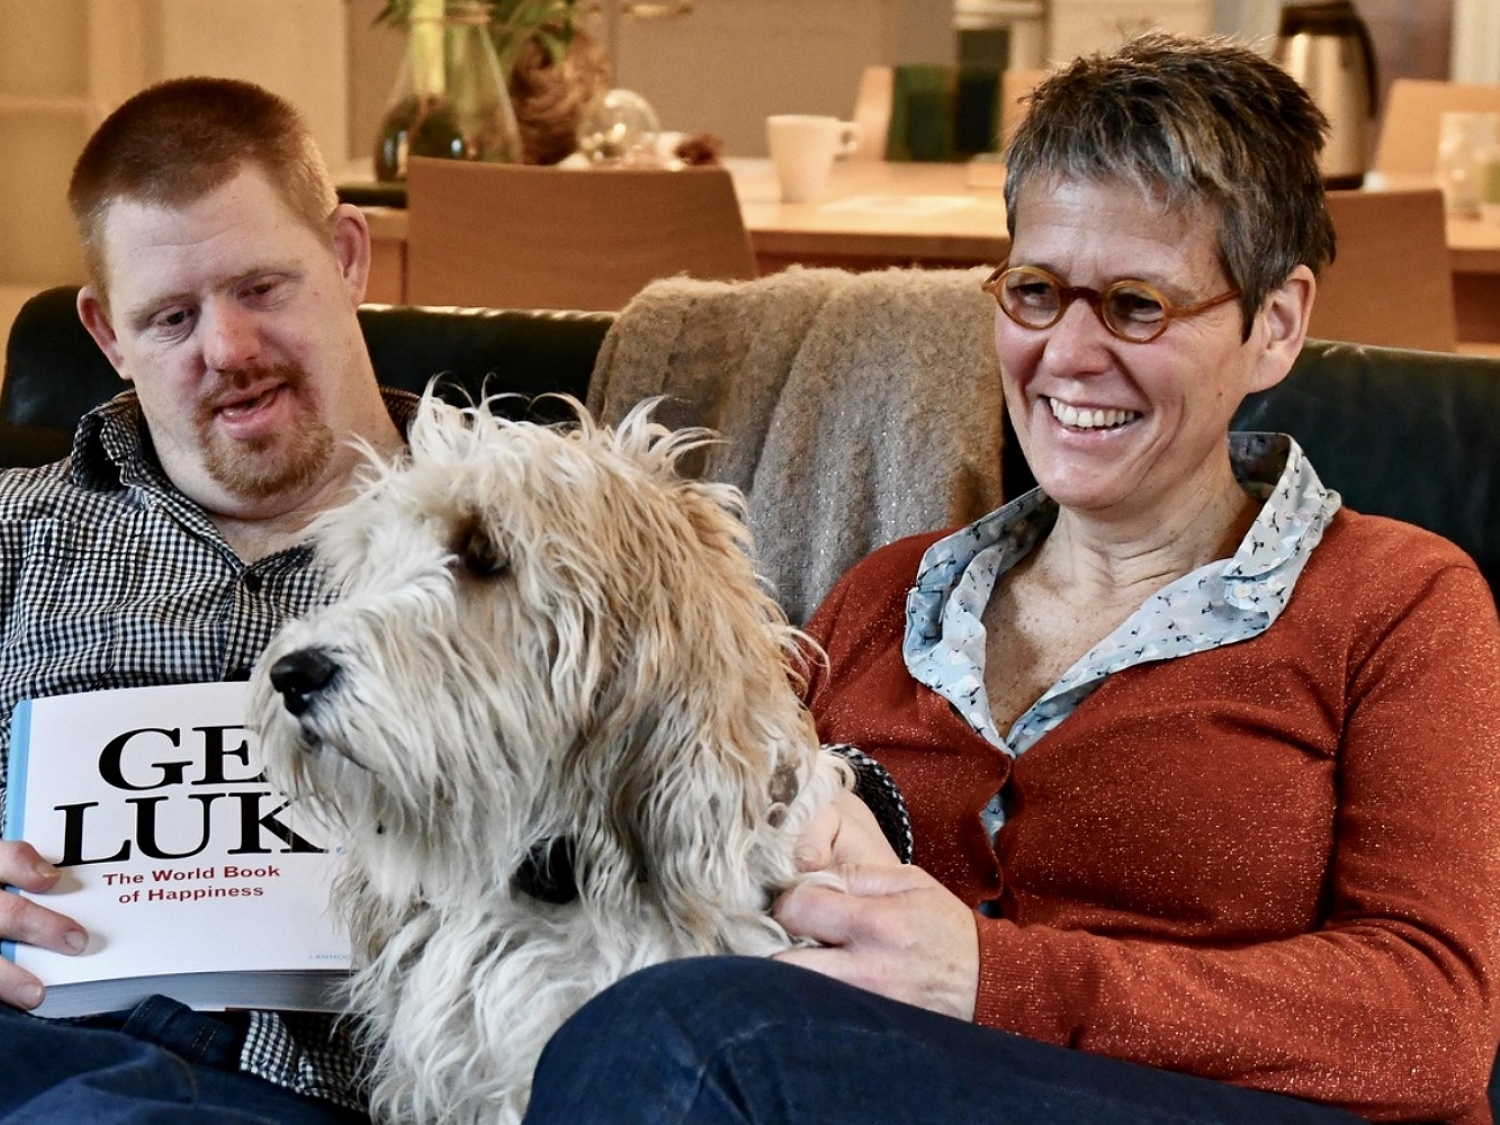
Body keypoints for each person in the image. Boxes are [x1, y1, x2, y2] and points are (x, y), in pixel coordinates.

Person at [519, 33, 1500, 1125]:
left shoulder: (1398, 600)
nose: (1066, 355)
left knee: (677, 1038)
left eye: (1137, 304)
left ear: (1273, 326)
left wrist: (990, 977)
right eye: (1034, 291)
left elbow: (1434, 1024)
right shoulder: (888, 598)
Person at [0, 77, 406, 1121]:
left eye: (261, 289)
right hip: (30, 1040)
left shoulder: (518, 537)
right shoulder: (14, 529)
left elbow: (720, 778)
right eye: (171, 318)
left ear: (347, 257)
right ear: (107, 334)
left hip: (333, 1083)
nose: (227, 351)